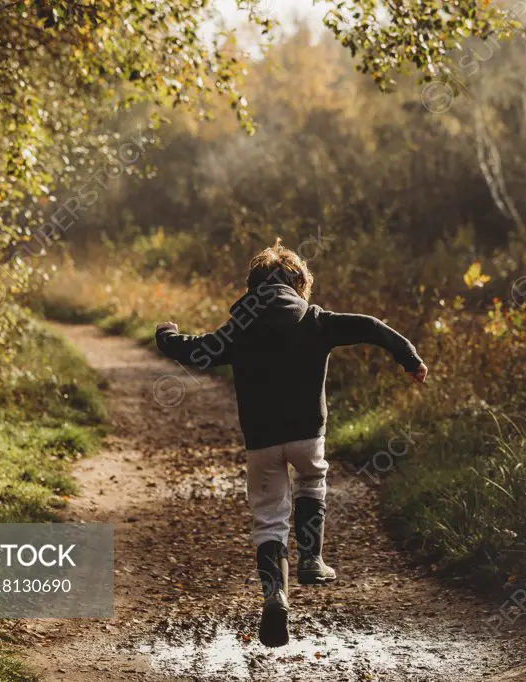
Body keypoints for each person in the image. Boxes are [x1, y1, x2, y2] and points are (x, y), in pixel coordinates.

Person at [155, 239, 428, 647]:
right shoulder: (316, 320)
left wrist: (166, 334)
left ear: (252, 288)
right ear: (299, 283)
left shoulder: (239, 329)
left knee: (268, 518)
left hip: (262, 441)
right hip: (306, 435)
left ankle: (275, 595)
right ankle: (312, 560)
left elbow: (197, 352)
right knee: (311, 481)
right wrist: (409, 357)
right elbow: (370, 326)